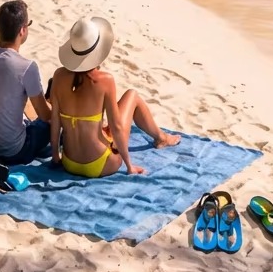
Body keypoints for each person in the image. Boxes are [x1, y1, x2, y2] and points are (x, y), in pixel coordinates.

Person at [50, 16, 180, 177]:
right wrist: (129, 166)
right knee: (132, 95)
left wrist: (55, 157)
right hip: (100, 164)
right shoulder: (105, 81)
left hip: (70, 162)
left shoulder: (59, 76)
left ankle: (161, 137)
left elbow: (55, 121)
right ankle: (161, 138)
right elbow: (117, 127)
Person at [0, 0, 51, 164]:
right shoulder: (26, 67)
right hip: (13, 152)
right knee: (48, 125)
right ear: (22, 30)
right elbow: (45, 115)